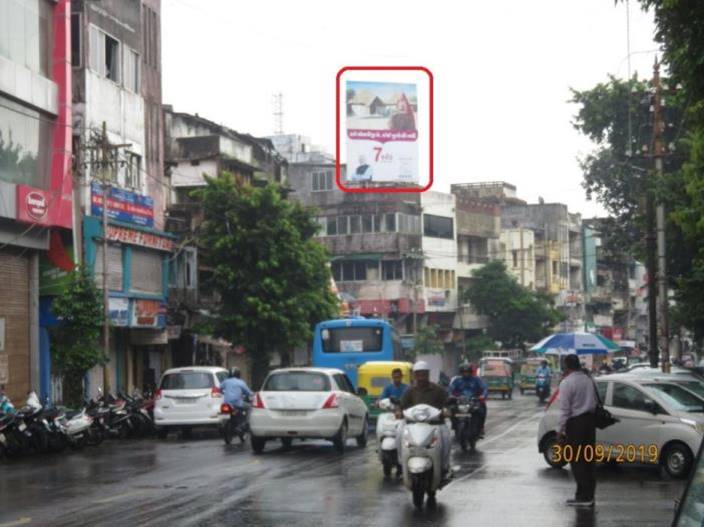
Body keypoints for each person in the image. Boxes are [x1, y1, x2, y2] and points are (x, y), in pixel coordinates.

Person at [557, 354, 598, 507]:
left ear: (566, 366)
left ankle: (582, 496)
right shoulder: (588, 380)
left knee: (577, 460)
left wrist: (559, 430)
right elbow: (594, 402)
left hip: (576, 424)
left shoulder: (567, 383)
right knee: (588, 459)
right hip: (590, 422)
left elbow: (565, 410)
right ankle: (590, 495)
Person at [399, 361, 451, 478]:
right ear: (414, 376)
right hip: (413, 425)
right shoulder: (409, 391)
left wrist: (447, 411)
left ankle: (444, 467)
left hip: (436, 424)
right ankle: (401, 465)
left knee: (447, 439)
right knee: (398, 434)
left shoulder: (438, 390)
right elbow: (401, 405)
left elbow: (448, 403)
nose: (421, 377)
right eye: (418, 374)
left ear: (428, 374)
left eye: (424, 374)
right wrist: (398, 411)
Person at [448, 363, 488, 437]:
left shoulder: (476, 379)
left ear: (470, 372)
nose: (466, 374)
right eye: (464, 372)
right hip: (460, 401)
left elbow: (484, 388)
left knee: (482, 410)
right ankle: (455, 425)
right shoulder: (456, 380)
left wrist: (483, 395)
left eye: (467, 372)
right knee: (451, 409)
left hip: (473, 401)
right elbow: (450, 389)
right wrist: (451, 395)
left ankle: (480, 427)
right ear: (461, 372)